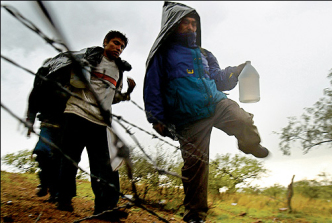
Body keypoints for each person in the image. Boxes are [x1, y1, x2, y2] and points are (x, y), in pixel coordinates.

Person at [143, 2, 269, 222]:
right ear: (173, 25)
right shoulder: (163, 54)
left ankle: (249, 144)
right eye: (186, 23)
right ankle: (195, 213)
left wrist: (236, 71)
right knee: (196, 166)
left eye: (194, 24)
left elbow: (219, 80)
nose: (191, 28)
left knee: (242, 118)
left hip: (216, 104)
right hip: (187, 116)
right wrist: (156, 118)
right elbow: (152, 86)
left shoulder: (204, 54)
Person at [43, 30, 136, 219]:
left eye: (122, 46)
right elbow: (73, 82)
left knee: (104, 165)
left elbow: (112, 98)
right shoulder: (89, 58)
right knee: (70, 159)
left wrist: (128, 92)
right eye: (115, 43)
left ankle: (104, 207)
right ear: (105, 42)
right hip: (76, 113)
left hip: (100, 122)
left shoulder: (118, 70)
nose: (119, 48)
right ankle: (64, 199)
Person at [26, 58, 69, 203]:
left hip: (64, 127)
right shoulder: (42, 84)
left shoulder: (69, 83)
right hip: (47, 124)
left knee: (58, 159)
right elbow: (33, 101)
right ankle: (44, 183)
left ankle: (54, 193)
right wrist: (30, 122)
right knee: (41, 152)